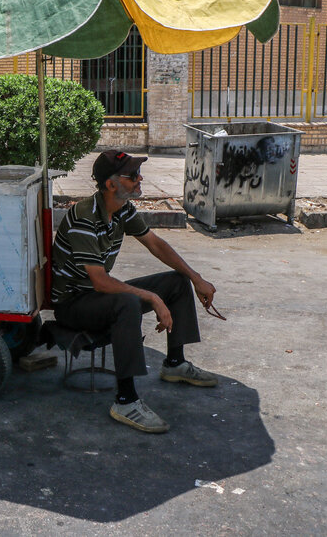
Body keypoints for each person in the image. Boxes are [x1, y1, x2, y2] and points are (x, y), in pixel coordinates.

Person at [51, 149, 218, 433]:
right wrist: (152, 298)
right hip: (74, 303)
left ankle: (175, 364)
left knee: (176, 282)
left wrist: (195, 277)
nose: (140, 179)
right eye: (132, 176)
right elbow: (101, 282)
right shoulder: (84, 217)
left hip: (97, 296)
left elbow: (155, 244)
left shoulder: (123, 210)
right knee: (127, 303)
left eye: (138, 174)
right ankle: (125, 400)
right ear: (111, 184)